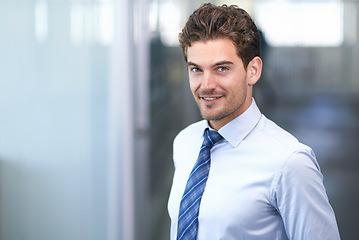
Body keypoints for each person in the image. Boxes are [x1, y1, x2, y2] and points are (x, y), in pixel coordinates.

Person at [167, 3, 340, 240]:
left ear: (253, 70)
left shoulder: (290, 163)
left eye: (221, 69)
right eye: (196, 69)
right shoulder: (185, 142)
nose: (206, 85)